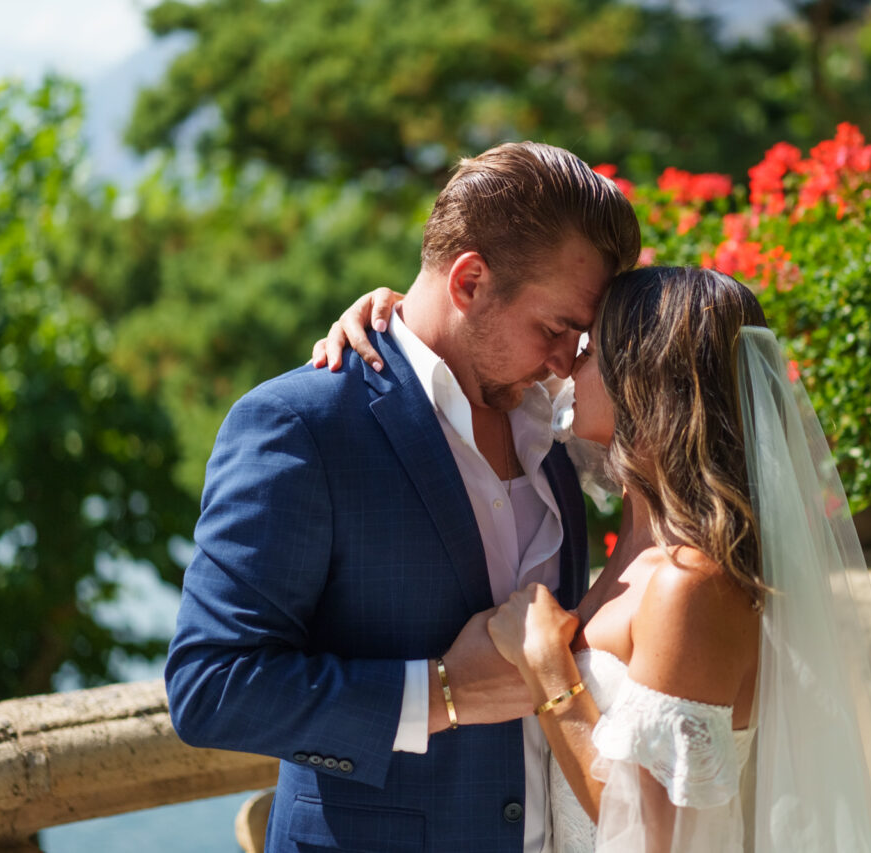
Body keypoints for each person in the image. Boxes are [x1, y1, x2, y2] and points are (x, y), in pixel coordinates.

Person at [316, 266, 871, 851]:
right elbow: (476, 376)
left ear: (645, 378)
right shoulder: (640, 535)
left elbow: (658, 838)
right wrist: (397, 322)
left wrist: (548, 664)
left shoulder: (691, 583)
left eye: (588, 350)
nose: (565, 365)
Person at [165, 141, 641, 853]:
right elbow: (212, 689)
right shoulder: (303, 424)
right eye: (555, 327)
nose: (566, 361)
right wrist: (443, 693)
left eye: (582, 336)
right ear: (471, 280)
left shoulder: (556, 426)